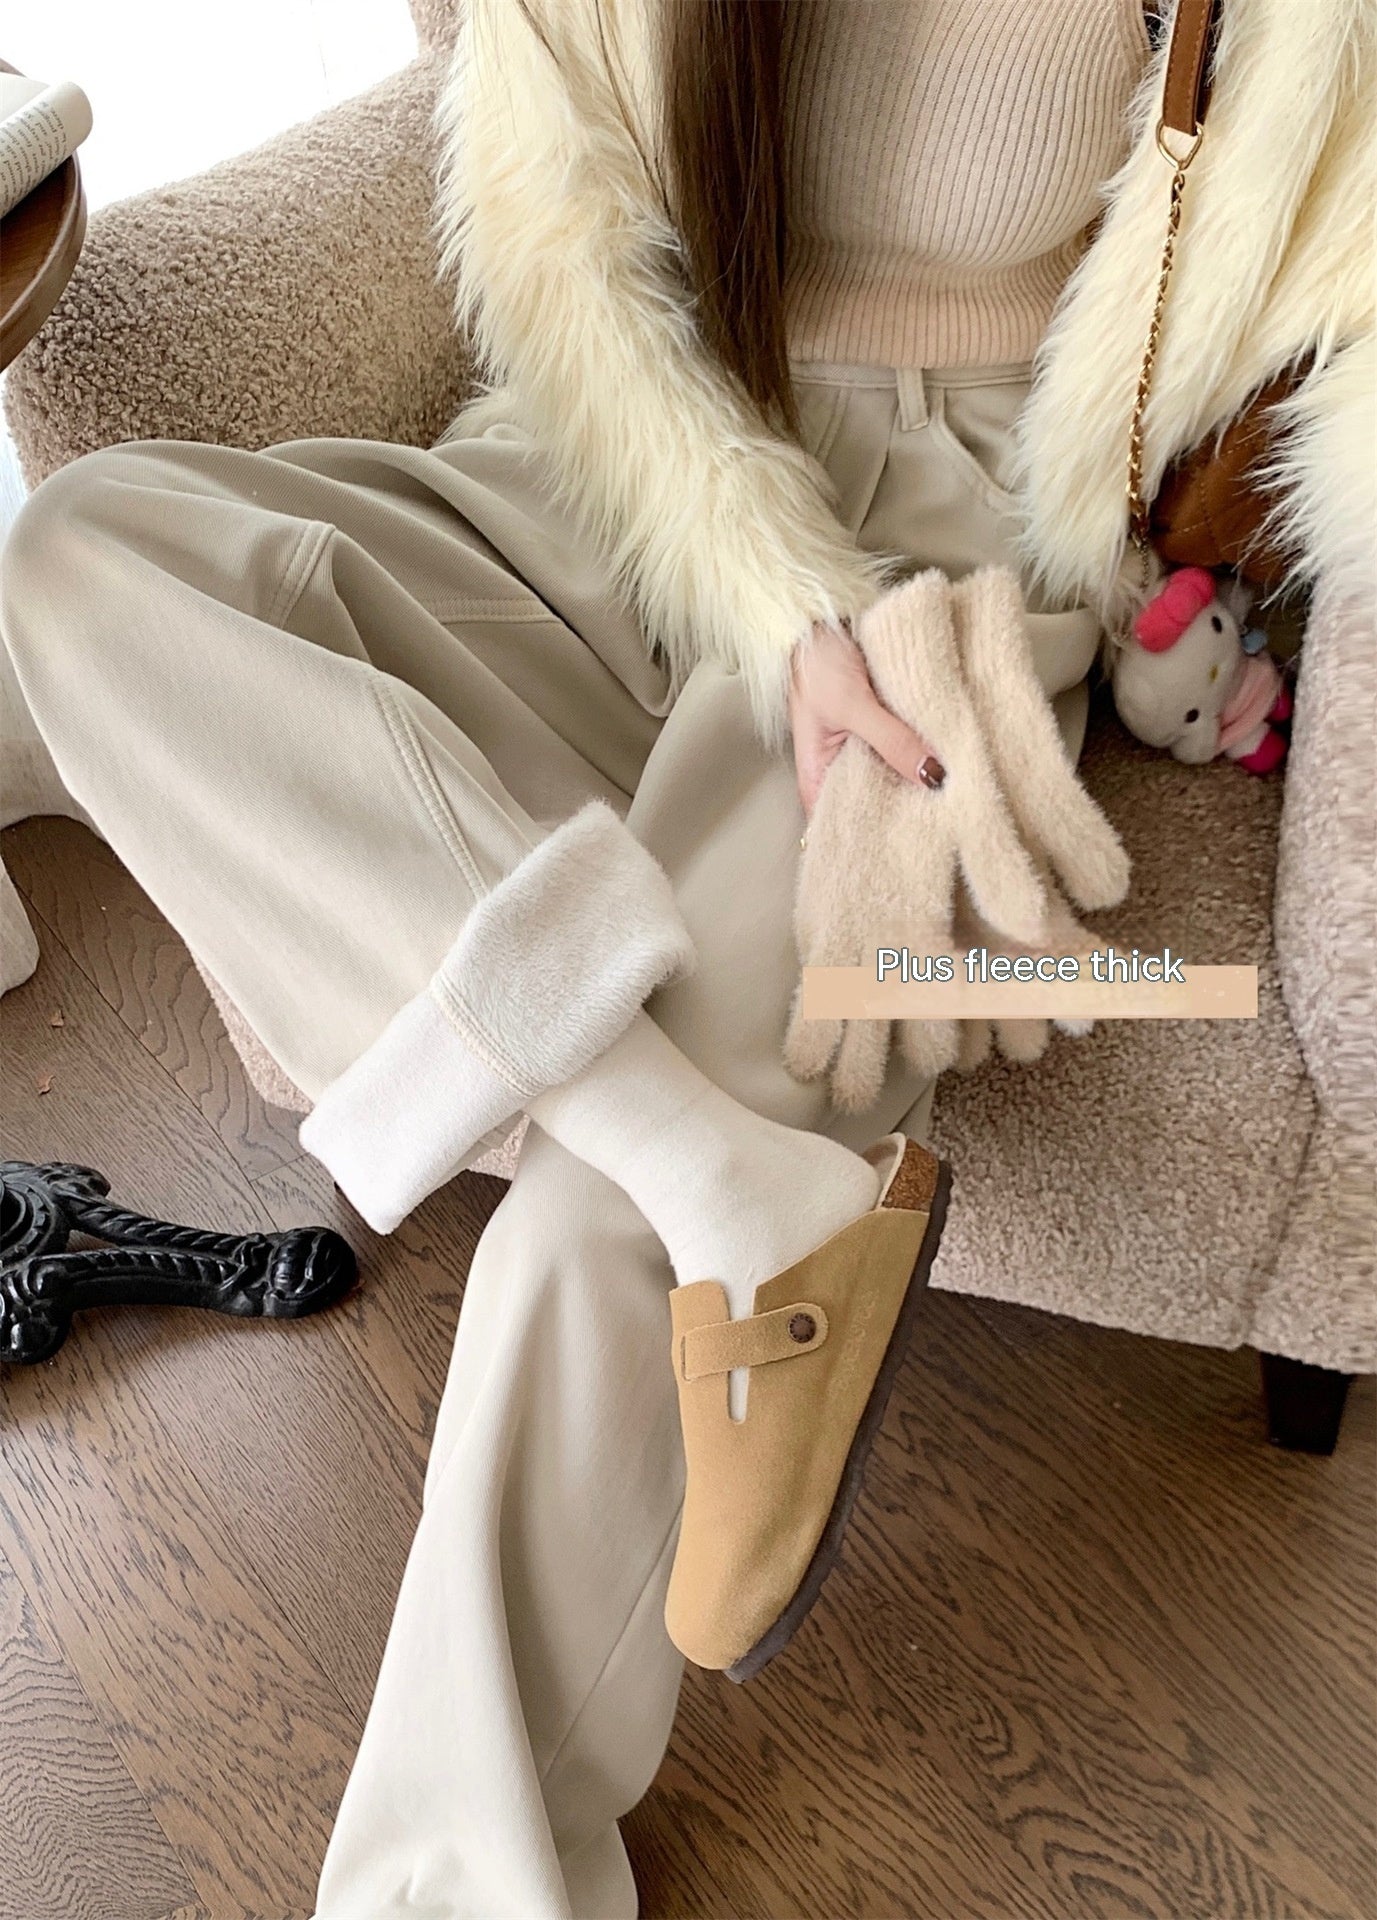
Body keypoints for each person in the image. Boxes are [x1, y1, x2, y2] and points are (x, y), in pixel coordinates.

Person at [2, 1, 1366, 1913]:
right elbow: (556, 235)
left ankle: (455, 1881)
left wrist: (858, 620)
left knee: (596, 1213)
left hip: (949, 528)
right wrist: (757, 590)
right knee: (85, 553)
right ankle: (717, 1166)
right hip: (619, 452)